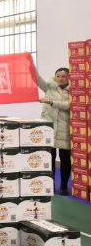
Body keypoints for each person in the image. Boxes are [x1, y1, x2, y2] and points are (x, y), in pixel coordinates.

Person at [37, 67, 71, 195]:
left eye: (64, 76)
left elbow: (68, 105)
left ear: (69, 77)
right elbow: (37, 79)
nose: (61, 79)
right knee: (49, 158)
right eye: (58, 76)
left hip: (64, 128)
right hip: (49, 127)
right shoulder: (49, 87)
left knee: (65, 159)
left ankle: (63, 185)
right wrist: (30, 65)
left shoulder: (74, 90)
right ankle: (50, 184)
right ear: (55, 77)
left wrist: (50, 102)